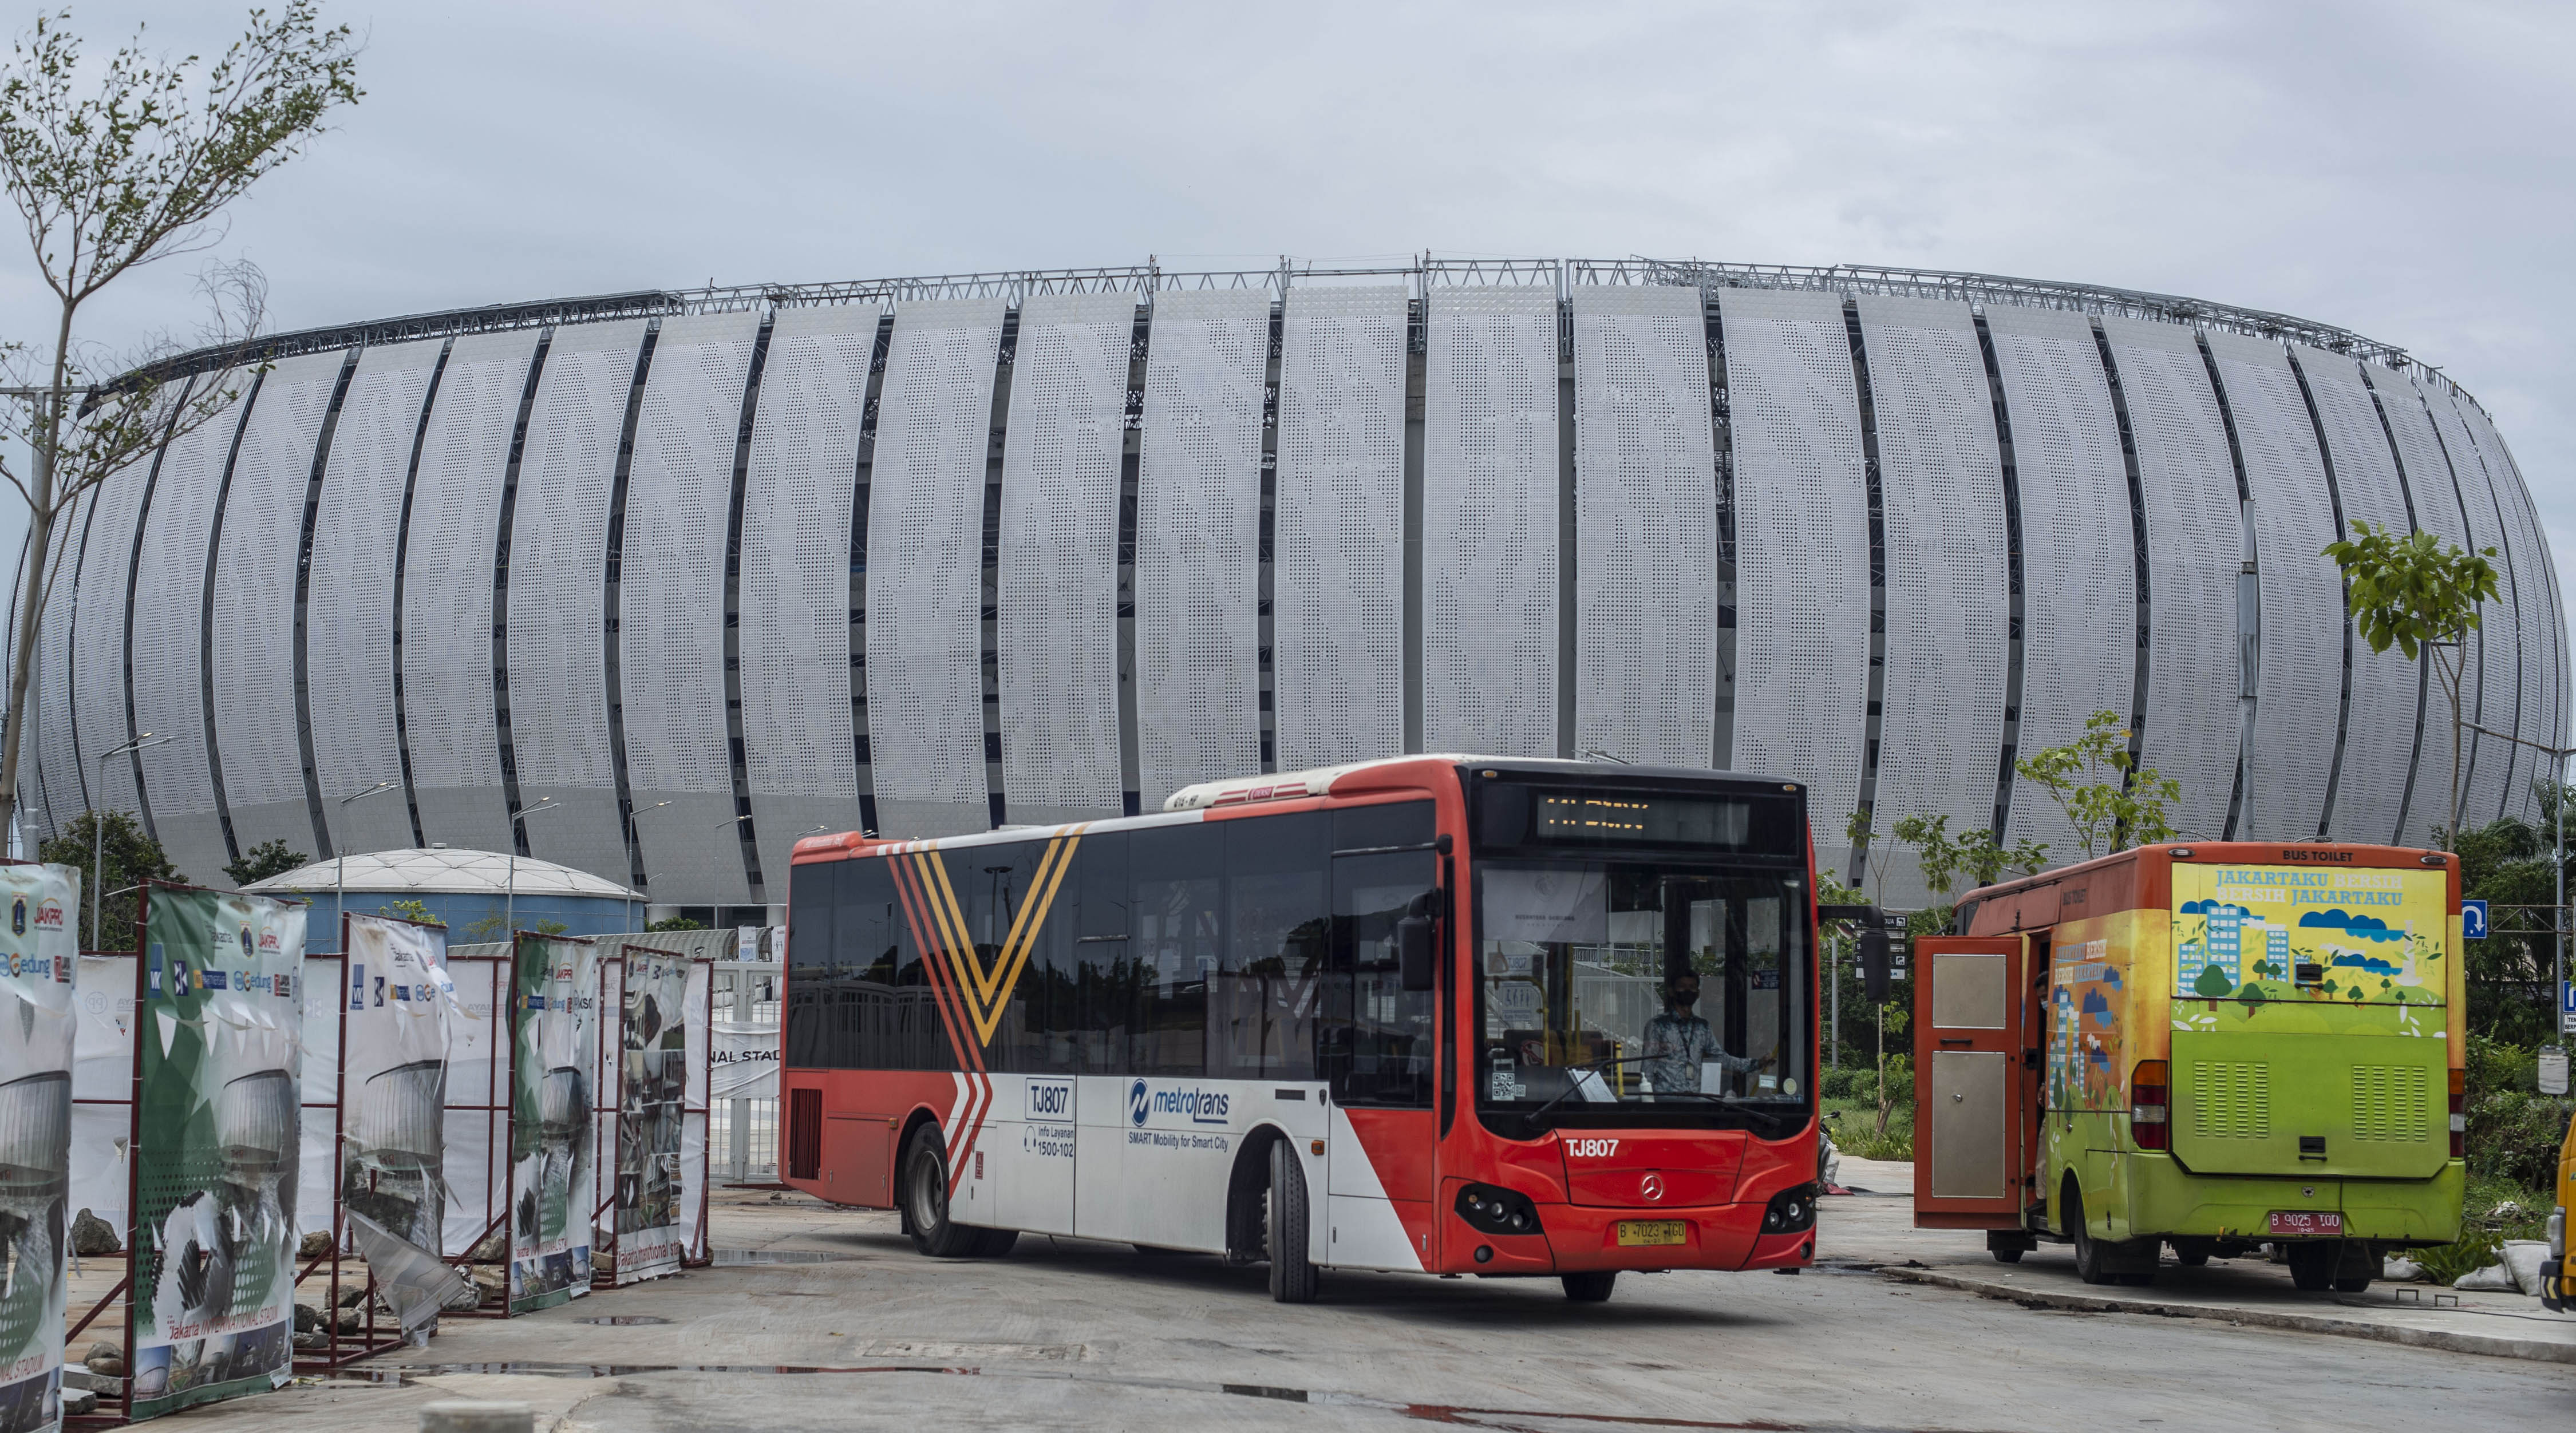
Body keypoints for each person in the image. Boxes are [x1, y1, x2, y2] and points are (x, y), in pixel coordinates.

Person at [1640, 973, 1754, 1095]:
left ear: (1698, 994)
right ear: (1672, 991)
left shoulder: (1702, 1026)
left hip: (1695, 1102)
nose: (1688, 991)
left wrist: (1754, 1064)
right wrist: (1649, 1103)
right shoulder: (1657, 1025)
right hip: (1666, 1102)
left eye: (1692, 987)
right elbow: (1648, 1067)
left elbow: (1721, 1057)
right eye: (1682, 987)